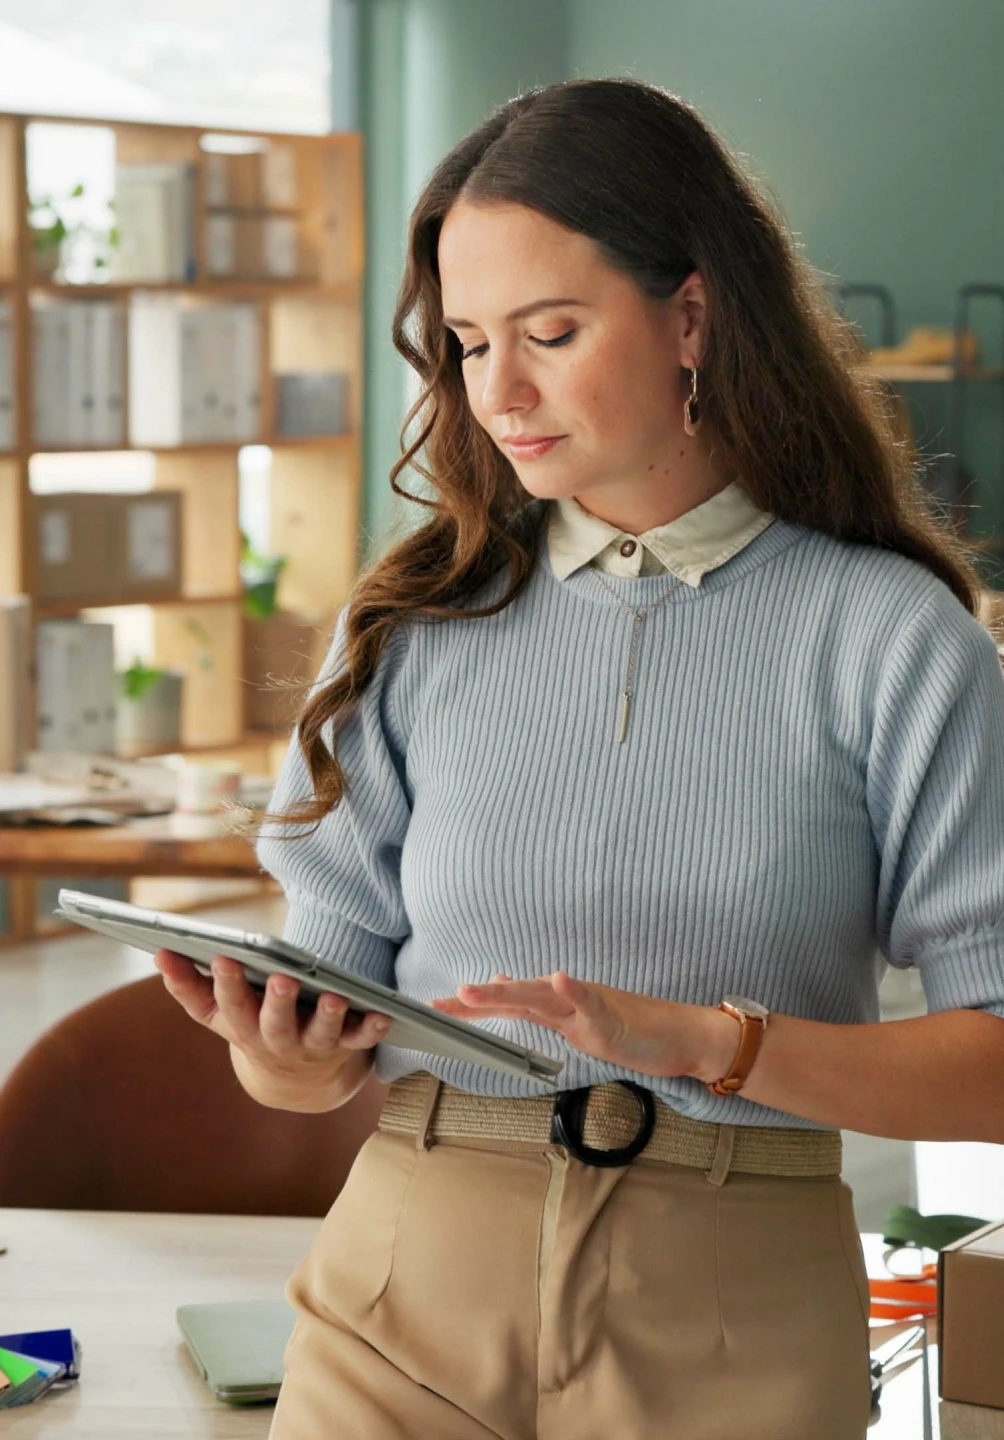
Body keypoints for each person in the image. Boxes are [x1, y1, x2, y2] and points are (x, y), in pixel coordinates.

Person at [154, 78, 1004, 1440]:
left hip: (733, 1308)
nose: (500, 391)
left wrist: (707, 1045)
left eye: (551, 331)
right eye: (470, 342)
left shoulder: (893, 640)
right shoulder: (407, 625)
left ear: (692, 316)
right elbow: (321, 1023)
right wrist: (290, 1062)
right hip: (401, 1295)